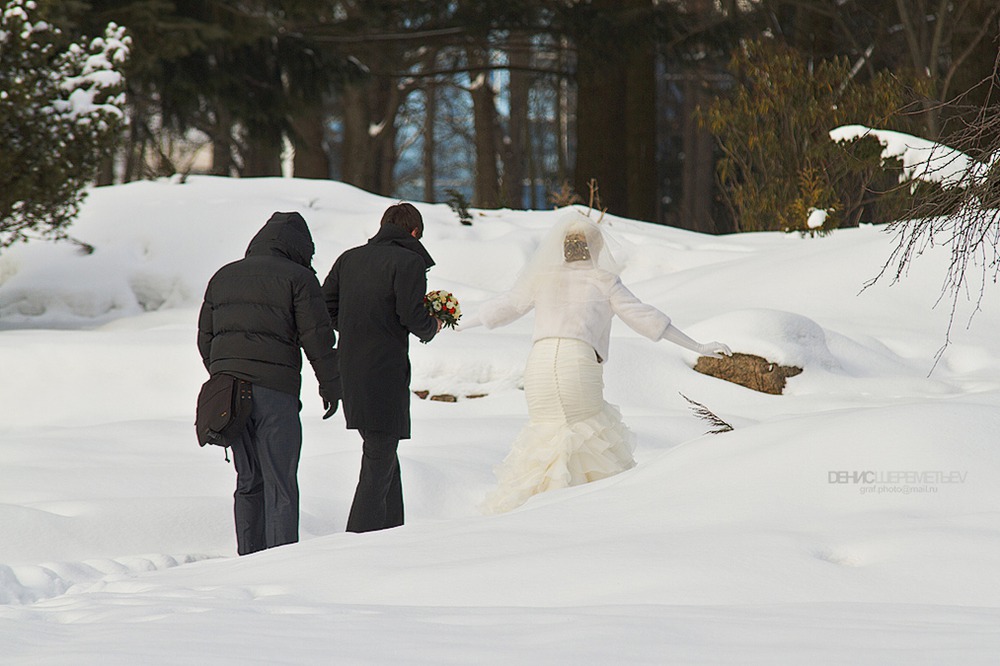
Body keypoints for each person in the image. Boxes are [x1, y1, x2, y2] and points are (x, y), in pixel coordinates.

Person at [461, 210, 731, 513]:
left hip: (539, 364)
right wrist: (696, 345)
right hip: (575, 362)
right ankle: (580, 512)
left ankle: (531, 510)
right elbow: (645, 318)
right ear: (596, 246)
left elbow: (504, 308)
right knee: (582, 432)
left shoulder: (542, 278)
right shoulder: (603, 280)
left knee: (547, 432)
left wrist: (454, 323)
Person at [198, 211, 341, 555]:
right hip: (275, 392)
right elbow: (317, 339)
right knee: (281, 483)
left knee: (248, 481)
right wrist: (331, 385)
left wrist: (222, 373)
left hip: (229, 392)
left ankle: (248, 560)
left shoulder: (223, 276)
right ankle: (281, 565)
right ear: (300, 247)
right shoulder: (299, 278)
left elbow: (206, 338)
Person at [321, 202, 441, 533]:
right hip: (384, 369)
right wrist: (433, 325)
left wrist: (351, 325)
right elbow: (410, 314)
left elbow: (324, 303)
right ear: (414, 232)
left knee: (384, 449)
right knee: (379, 453)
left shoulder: (349, 258)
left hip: (350, 368)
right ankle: (359, 537)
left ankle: (393, 531)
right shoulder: (409, 261)